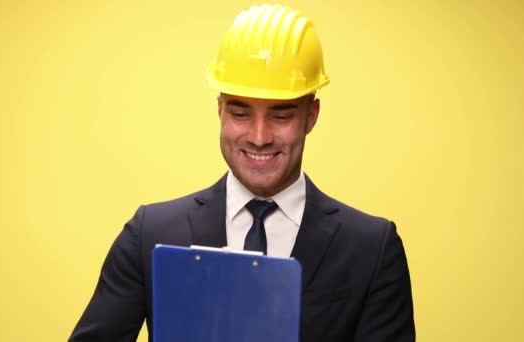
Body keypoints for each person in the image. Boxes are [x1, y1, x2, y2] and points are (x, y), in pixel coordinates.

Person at [70, 4, 415, 342]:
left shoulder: (372, 249)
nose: (260, 137)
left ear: (311, 116)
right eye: (240, 113)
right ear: (219, 108)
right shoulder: (150, 234)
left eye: (281, 115)